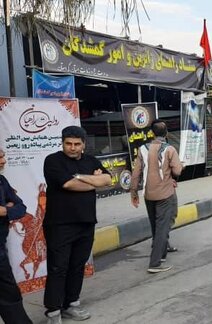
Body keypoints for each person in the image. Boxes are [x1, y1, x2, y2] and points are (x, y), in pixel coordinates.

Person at [43, 126, 112, 323]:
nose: (72, 148)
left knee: (77, 266)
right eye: (68, 144)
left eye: (76, 144)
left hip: (86, 223)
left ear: (83, 145)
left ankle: (71, 304)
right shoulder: (53, 161)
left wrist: (80, 177)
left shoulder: (91, 160)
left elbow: (107, 179)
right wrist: (94, 181)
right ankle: (53, 311)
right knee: (58, 268)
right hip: (59, 225)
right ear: (62, 143)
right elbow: (68, 184)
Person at [129, 120, 184, 273]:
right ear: (166, 133)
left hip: (148, 194)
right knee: (162, 226)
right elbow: (178, 171)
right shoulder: (169, 149)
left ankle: (163, 252)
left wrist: (134, 192)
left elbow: (136, 173)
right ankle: (155, 263)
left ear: (152, 133)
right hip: (165, 193)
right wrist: (180, 167)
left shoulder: (142, 149)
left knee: (156, 225)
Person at [0, 148, 33, 324]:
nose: (3, 161)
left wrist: (5, 209)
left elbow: (20, 208)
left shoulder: (2, 180)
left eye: (3, 156)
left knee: (9, 295)